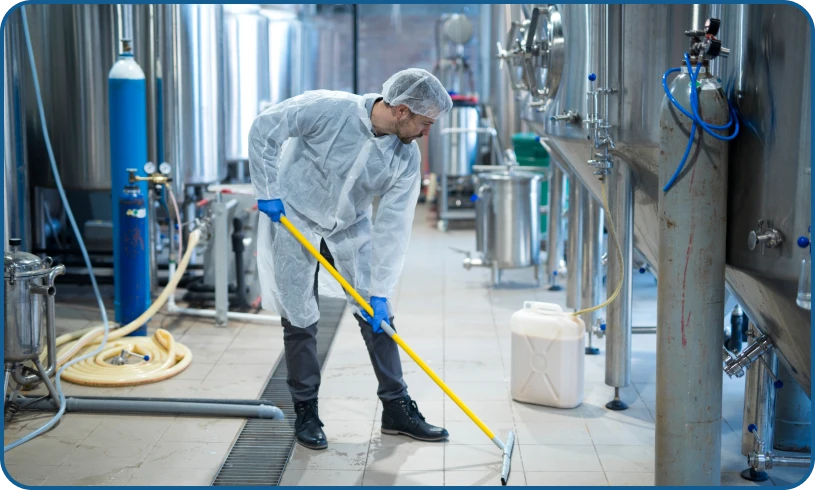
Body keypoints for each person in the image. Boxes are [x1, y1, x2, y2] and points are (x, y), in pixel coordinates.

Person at [249, 68, 453, 450]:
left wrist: (381, 290)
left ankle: (396, 409)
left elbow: (394, 226)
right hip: (295, 215)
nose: (427, 133)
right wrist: (267, 189)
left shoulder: (405, 158)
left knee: (378, 317)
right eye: (426, 123)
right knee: (299, 317)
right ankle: (306, 410)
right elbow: (266, 128)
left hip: (348, 226)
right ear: (403, 110)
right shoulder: (328, 108)